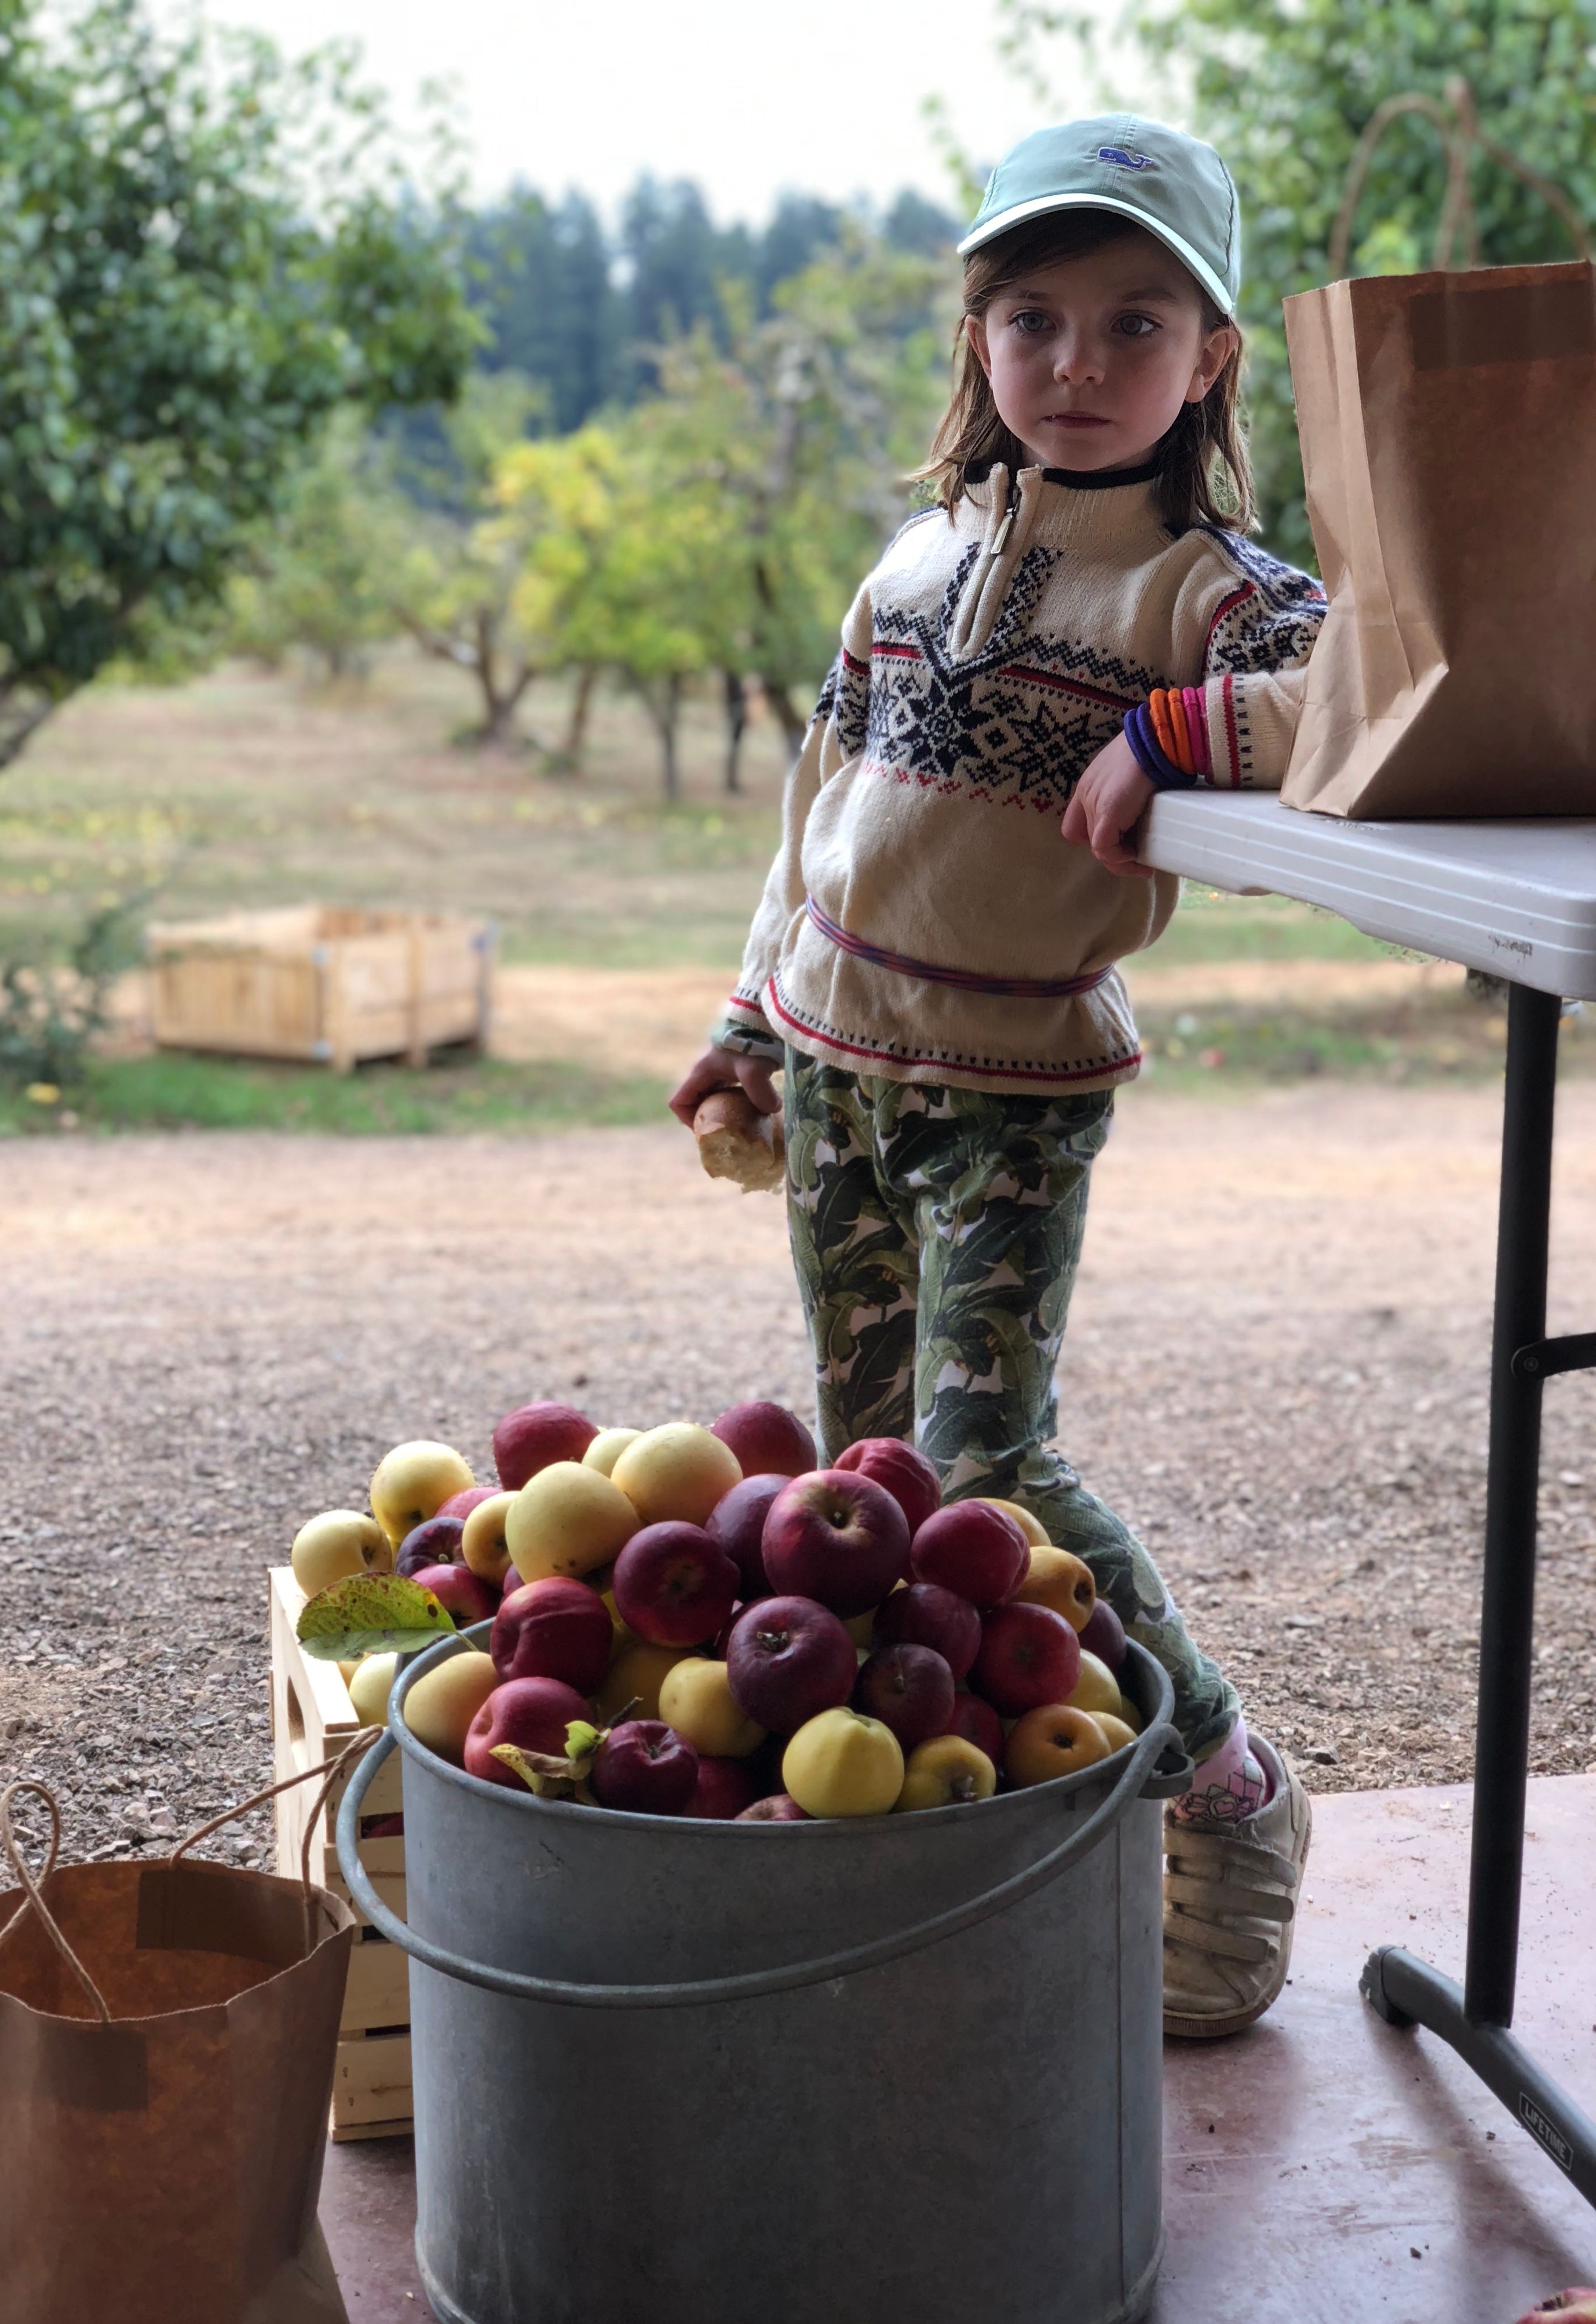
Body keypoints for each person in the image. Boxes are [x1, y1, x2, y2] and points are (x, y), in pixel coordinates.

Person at [670, 115, 1325, 2040]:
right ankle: (934, 1844)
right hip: (835, 1075)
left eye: (1136, 323)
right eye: (1033, 318)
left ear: (1211, 357)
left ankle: (1225, 1785)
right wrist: (747, 1017)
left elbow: (1367, 694)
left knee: (988, 1467)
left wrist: (1183, 731)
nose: (1078, 362)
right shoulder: (911, 562)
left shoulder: (1205, 595)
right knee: (864, 1478)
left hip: (1009, 1098)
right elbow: (818, 811)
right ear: (978, 339)